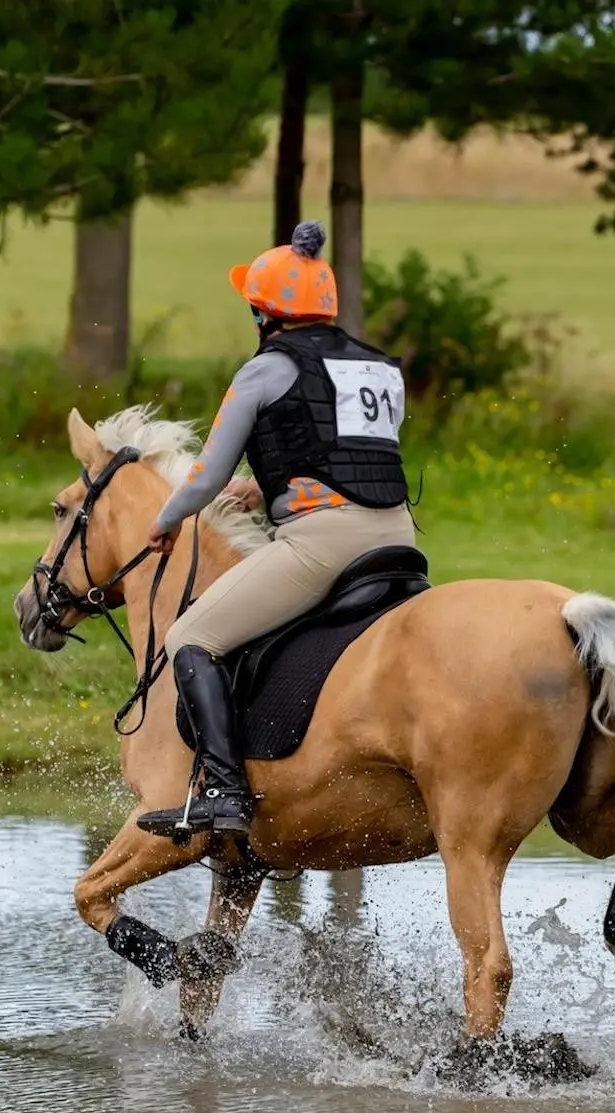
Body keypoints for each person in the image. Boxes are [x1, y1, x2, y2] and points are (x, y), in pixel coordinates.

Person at [136, 220, 417, 837]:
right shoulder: (379, 368)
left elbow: (207, 475)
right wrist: (264, 489)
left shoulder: (264, 371)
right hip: (400, 537)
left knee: (191, 637)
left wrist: (165, 520)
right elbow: (345, 453)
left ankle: (225, 792)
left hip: (322, 544)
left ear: (264, 314)